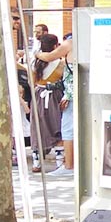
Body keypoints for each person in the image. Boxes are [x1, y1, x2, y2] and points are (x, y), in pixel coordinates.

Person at [36, 32, 75, 176]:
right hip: (84, 91)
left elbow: (49, 56)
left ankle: (69, 166)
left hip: (71, 93)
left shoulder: (71, 43)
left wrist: (36, 53)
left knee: (67, 129)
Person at [29, 33, 64, 173]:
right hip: (55, 96)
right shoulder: (60, 64)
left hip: (38, 95)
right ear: (55, 46)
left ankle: (37, 162)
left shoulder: (34, 63)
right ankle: (59, 162)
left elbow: (31, 83)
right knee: (57, 126)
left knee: (37, 127)